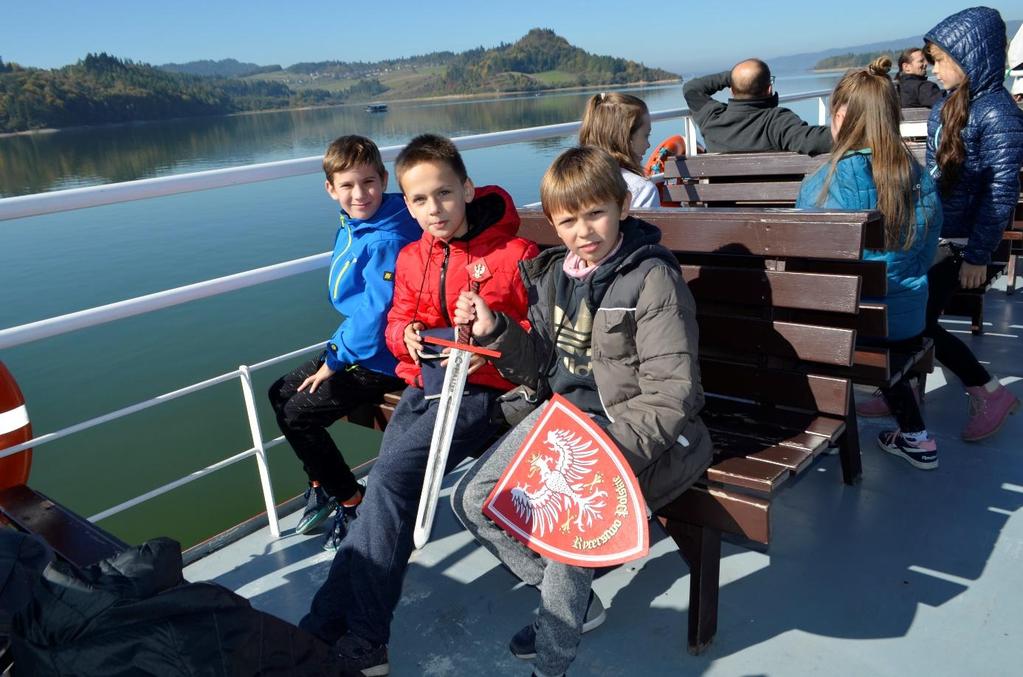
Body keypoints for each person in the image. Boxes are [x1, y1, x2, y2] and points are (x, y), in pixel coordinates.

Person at [451, 146, 713, 677]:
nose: (583, 231)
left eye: (595, 213)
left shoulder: (651, 278)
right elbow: (544, 370)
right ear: (553, 222)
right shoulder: (555, 277)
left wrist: (600, 456)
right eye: (567, 220)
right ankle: (573, 600)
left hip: (634, 428)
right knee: (472, 500)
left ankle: (552, 659)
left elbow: (671, 393)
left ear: (621, 206)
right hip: (564, 420)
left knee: (565, 524)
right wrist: (495, 330)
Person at [298, 133, 539, 676]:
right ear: (404, 203)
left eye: (444, 194)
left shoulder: (514, 256)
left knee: (387, 484)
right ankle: (328, 620)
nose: (434, 210)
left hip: (487, 393)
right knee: (389, 488)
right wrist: (405, 335)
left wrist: (493, 348)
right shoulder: (412, 256)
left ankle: (362, 638)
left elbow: (540, 338)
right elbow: (394, 320)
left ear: (468, 189)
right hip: (426, 384)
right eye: (419, 200)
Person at [860, 7, 1023, 440]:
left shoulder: (999, 115)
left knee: (923, 322)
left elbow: (1000, 192)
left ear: (971, 57)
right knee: (909, 310)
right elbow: (934, 174)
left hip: (964, 241)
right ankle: (904, 387)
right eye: (930, 60)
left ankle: (988, 390)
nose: (933, 68)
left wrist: (978, 255)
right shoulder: (946, 108)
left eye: (940, 60)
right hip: (933, 232)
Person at [267, 135, 420, 549]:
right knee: (279, 392)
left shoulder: (387, 236)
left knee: (299, 414)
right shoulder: (361, 222)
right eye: (348, 186)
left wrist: (334, 356)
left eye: (369, 182)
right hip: (361, 345)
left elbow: (375, 315)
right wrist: (339, 350)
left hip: (385, 354)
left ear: (384, 179)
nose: (360, 194)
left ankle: (353, 503)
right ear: (330, 189)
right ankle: (322, 481)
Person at [797, 57, 942, 469]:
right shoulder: (920, 177)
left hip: (847, 334)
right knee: (884, 322)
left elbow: (810, 269)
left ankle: (819, 426)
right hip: (906, 325)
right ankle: (916, 437)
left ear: (840, 117)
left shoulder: (821, 184)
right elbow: (926, 254)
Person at [683, 58, 832, 155]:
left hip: (720, 203)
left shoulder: (712, 119)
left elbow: (691, 88)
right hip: (774, 203)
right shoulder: (777, 122)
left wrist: (735, 77)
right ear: (769, 89)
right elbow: (814, 140)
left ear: (731, 89)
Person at [578, 92, 658, 208]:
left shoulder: (571, 179)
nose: (648, 145)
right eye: (646, 135)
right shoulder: (642, 190)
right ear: (625, 138)